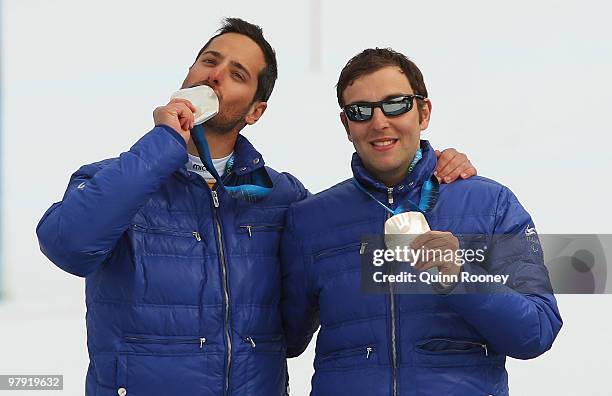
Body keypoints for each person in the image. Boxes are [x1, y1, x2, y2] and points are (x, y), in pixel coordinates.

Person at [36, 18, 476, 396]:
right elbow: (67, 246)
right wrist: (163, 146)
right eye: (209, 61)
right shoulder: (115, 180)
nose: (216, 75)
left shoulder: (284, 199)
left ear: (255, 111)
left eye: (238, 73)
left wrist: (431, 173)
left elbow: (299, 325)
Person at [281, 48, 562, 395]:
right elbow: (285, 339)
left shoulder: (491, 204)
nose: (379, 121)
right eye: (360, 111)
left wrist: (460, 277)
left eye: (396, 104)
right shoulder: (311, 219)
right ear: (346, 125)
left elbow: (536, 331)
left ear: (424, 112)